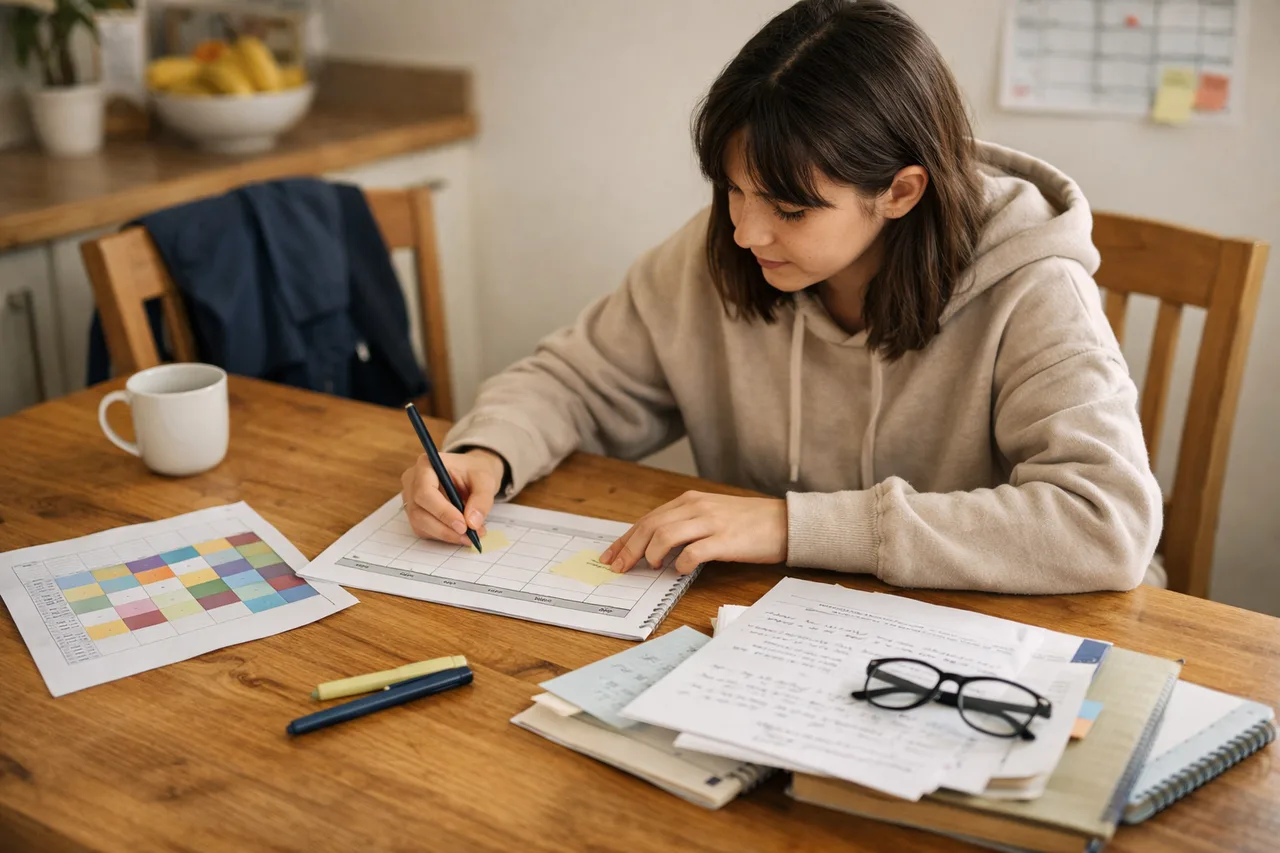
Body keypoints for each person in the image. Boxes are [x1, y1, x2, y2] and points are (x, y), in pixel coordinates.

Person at [399, 0, 1162, 594]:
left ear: (899, 191)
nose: (746, 233)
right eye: (734, 190)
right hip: (763, 628)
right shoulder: (724, 250)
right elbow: (573, 380)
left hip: (980, 653)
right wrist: (487, 449)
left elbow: (1105, 522)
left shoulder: (1032, 286)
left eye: (790, 209)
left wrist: (792, 527)